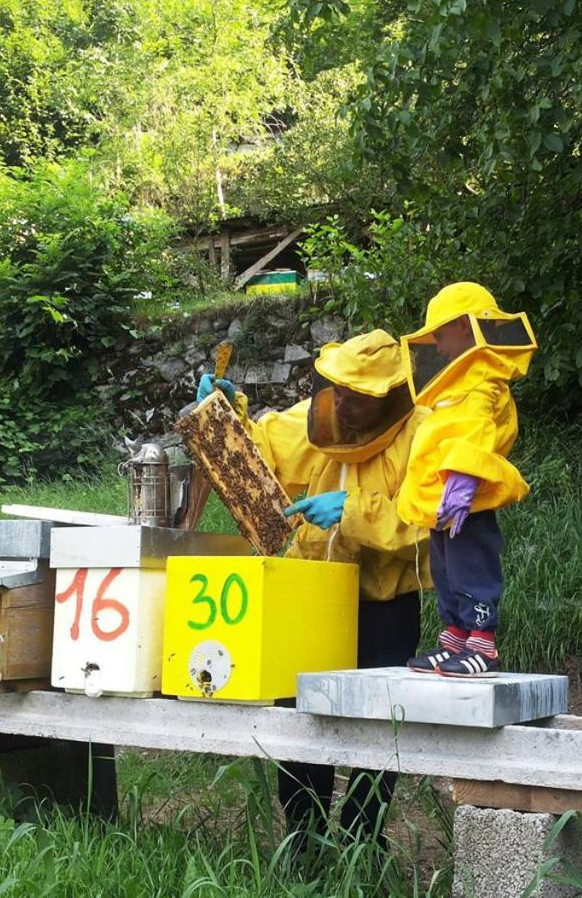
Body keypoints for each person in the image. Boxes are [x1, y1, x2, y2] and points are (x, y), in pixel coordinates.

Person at [195, 329, 430, 852]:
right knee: (299, 719)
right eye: (337, 389)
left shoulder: (423, 435)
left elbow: (423, 526)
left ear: (386, 396)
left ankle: (362, 839)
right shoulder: (316, 416)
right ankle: (303, 838)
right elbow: (256, 455)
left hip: (383, 605)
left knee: (378, 728)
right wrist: (222, 412)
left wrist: (350, 512)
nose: (341, 403)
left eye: (355, 396)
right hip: (309, 596)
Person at [396, 282, 537, 677]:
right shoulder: (455, 380)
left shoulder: (483, 378)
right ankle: (455, 638)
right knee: (445, 569)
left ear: (463, 325)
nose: (437, 346)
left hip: (467, 498)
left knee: (472, 564)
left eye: (440, 334)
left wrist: (463, 479)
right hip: (445, 497)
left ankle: (483, 645)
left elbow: (476, 429)